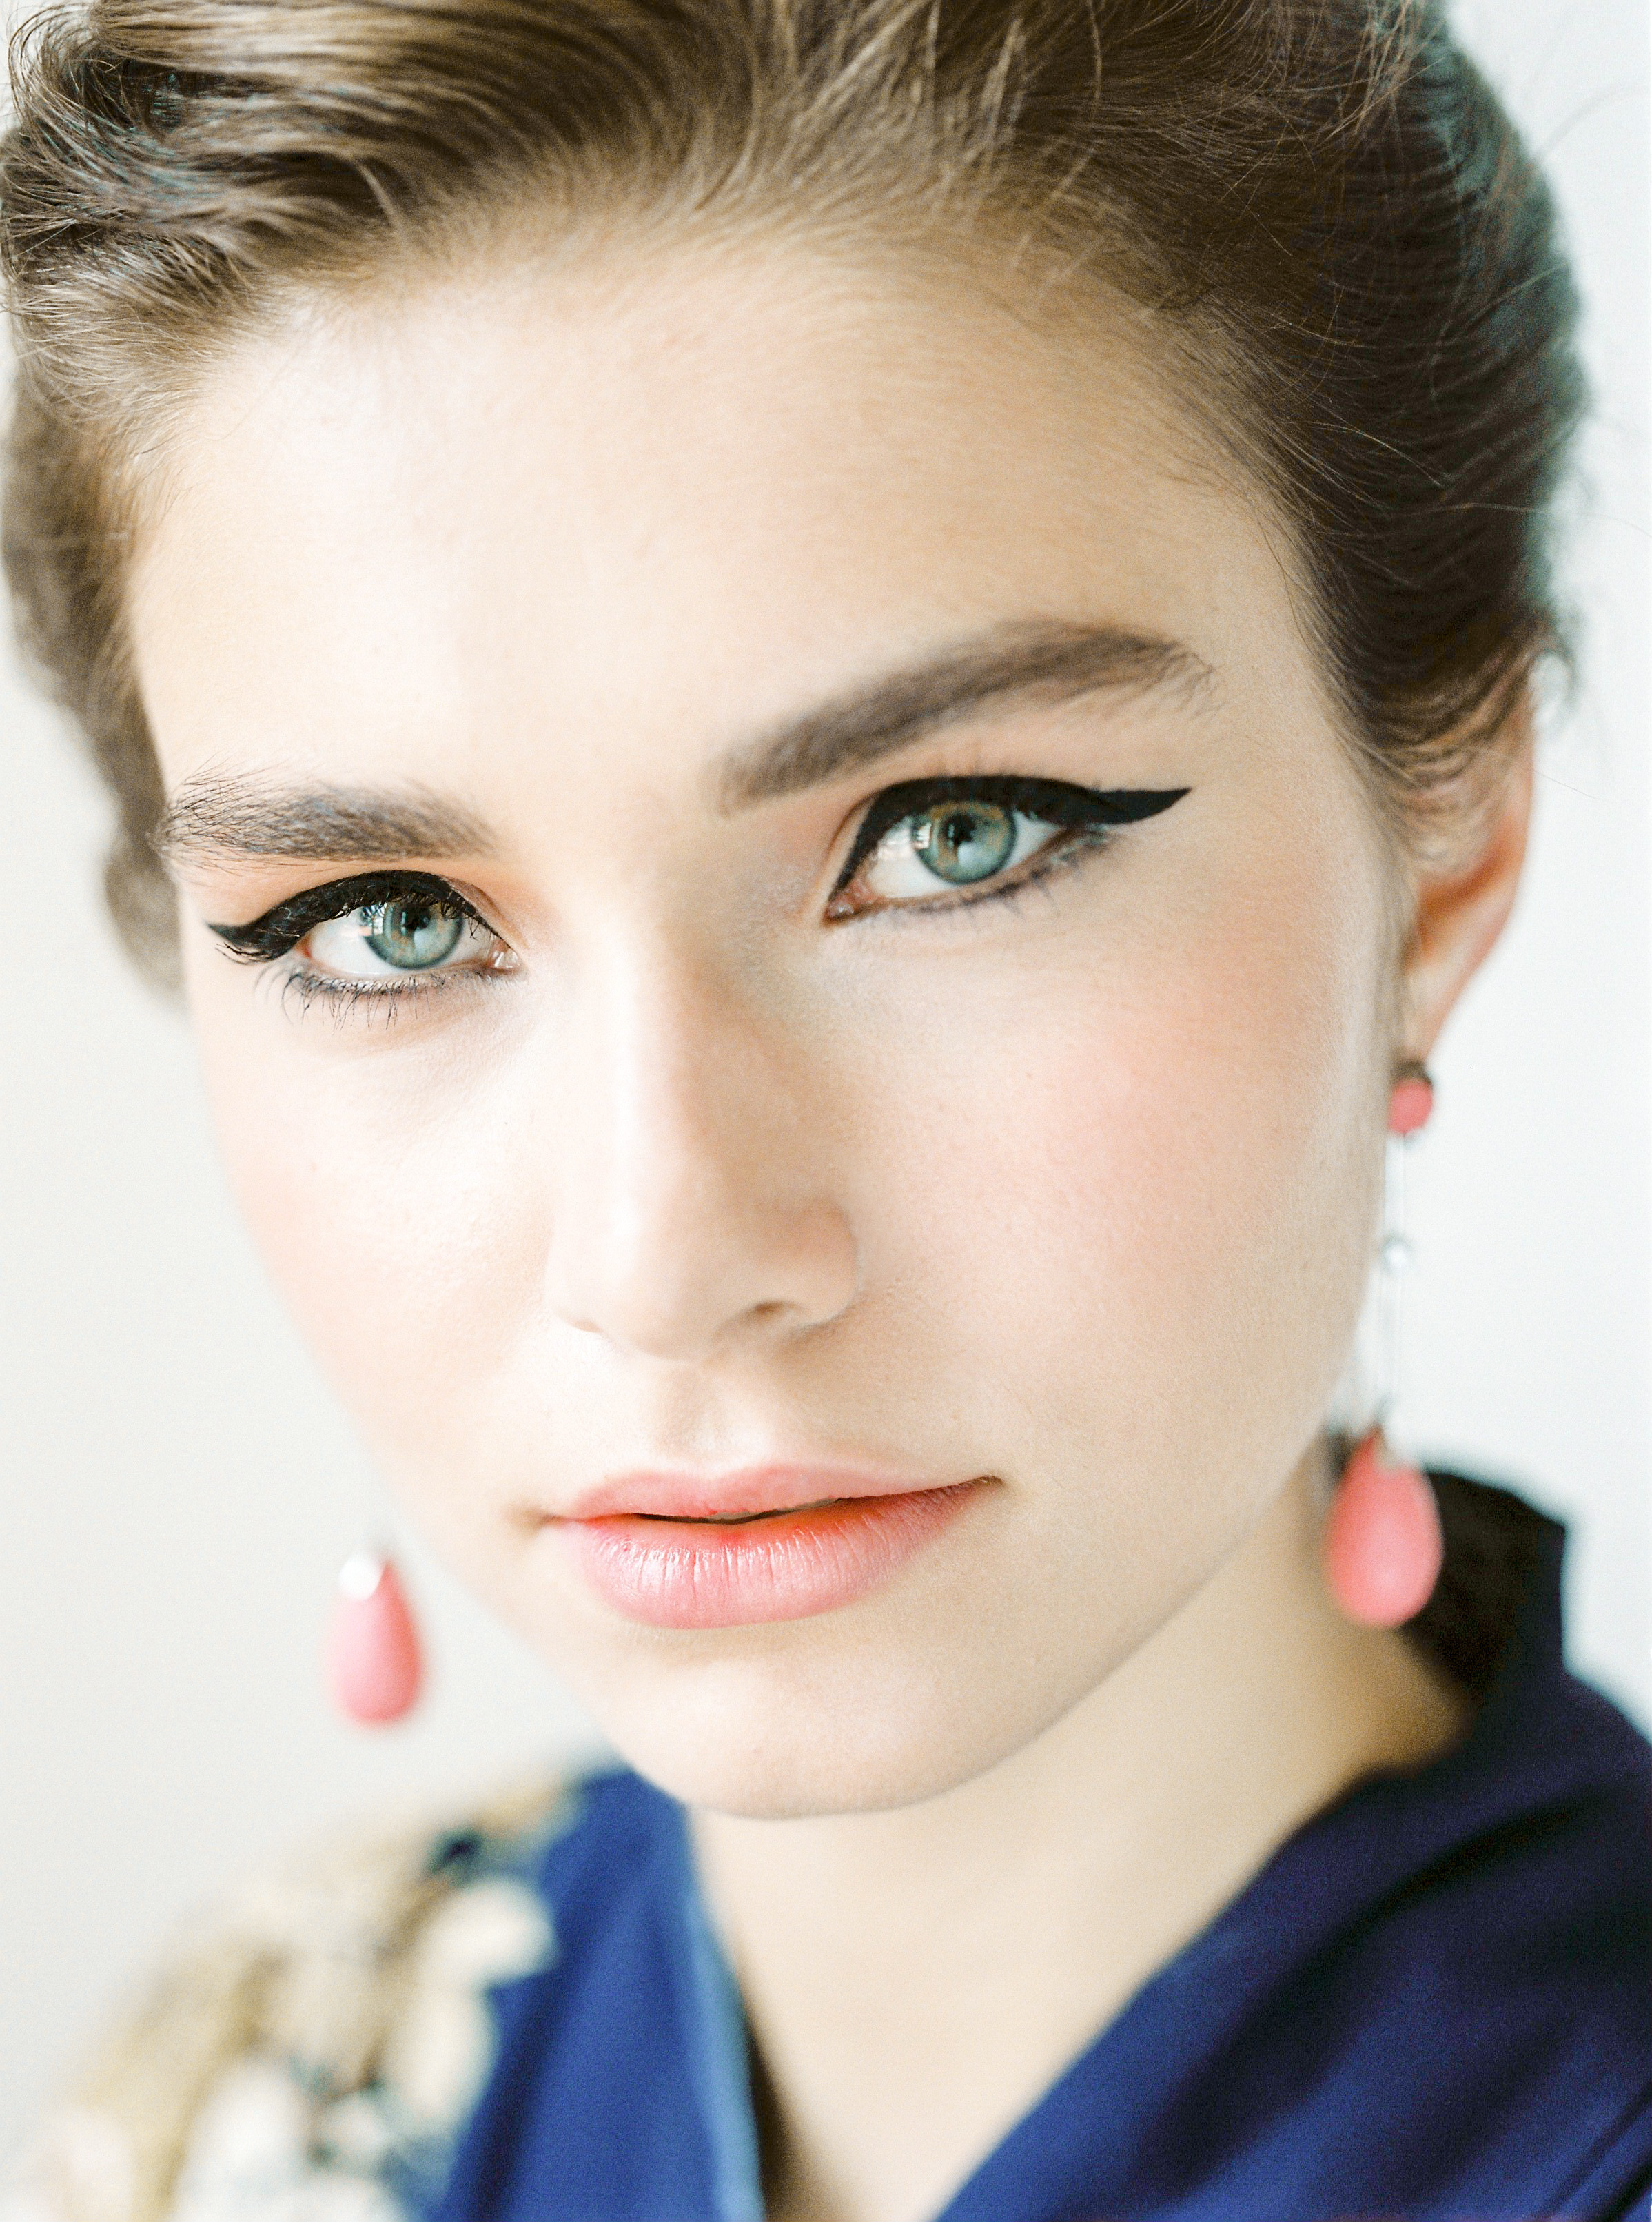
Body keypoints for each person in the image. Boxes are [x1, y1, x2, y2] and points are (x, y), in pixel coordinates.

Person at [1, 0, 1646, 2216]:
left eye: (955, 837)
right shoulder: (227, 2106)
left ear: (1441, 855)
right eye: (387, 923)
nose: (661, 1255)